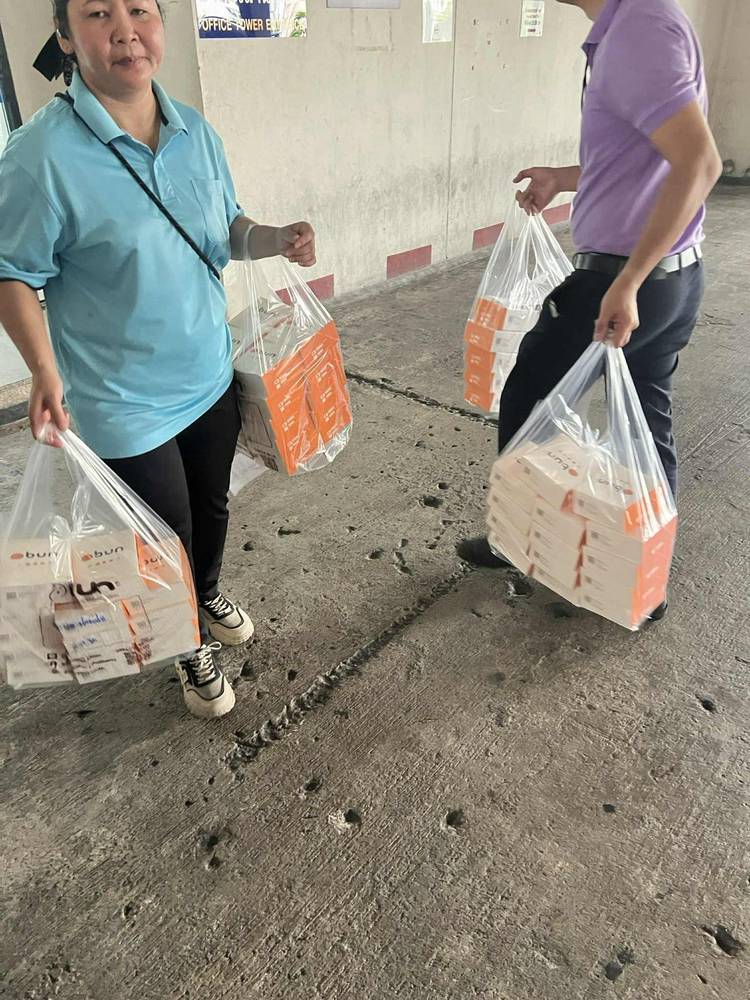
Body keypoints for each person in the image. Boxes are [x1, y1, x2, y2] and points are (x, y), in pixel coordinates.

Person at [0, 0, 316, 719]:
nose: (125, 29)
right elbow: (11, 272)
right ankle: (184, 643)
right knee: (162, 534)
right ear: (65, 37)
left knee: (211, 506)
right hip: (122, 399)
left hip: (207, 373)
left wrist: (274, 238)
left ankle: (204, 595)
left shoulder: (194, 131)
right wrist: (43, 369)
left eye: (139, 8)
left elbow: (225, 227)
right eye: (98, 13)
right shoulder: (40, 156)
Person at [458, 0, 722, 620]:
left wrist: (629, 280)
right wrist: (564, 176)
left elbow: (700, 163)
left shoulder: (638, 31)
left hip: (626, 277)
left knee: (530, 396)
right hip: (666, 276)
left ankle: (521, 536)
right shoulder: (638, 23)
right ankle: (642, 581)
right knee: (645, 421)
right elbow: (641, 158)